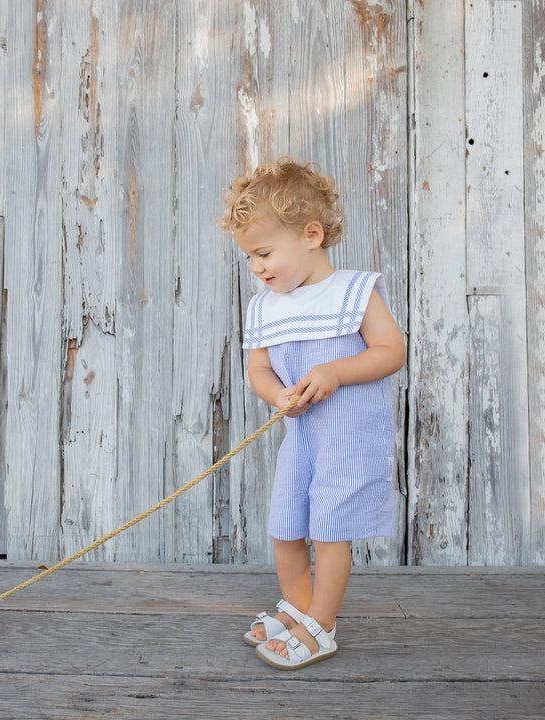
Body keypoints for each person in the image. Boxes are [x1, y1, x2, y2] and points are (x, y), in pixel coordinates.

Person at [216, 157, 406, 670]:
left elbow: (391, 350)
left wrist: (337, 372)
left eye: (264, 253)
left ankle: (321, 625)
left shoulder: (354, 291)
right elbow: (258, 368)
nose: (256, 267)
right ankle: (298, 607)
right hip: (301, 438)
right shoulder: (266, 305)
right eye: (250, 258)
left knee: (328, 531)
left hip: (346, 437)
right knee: (286, 527)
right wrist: (277, 395)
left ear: (312, 235)